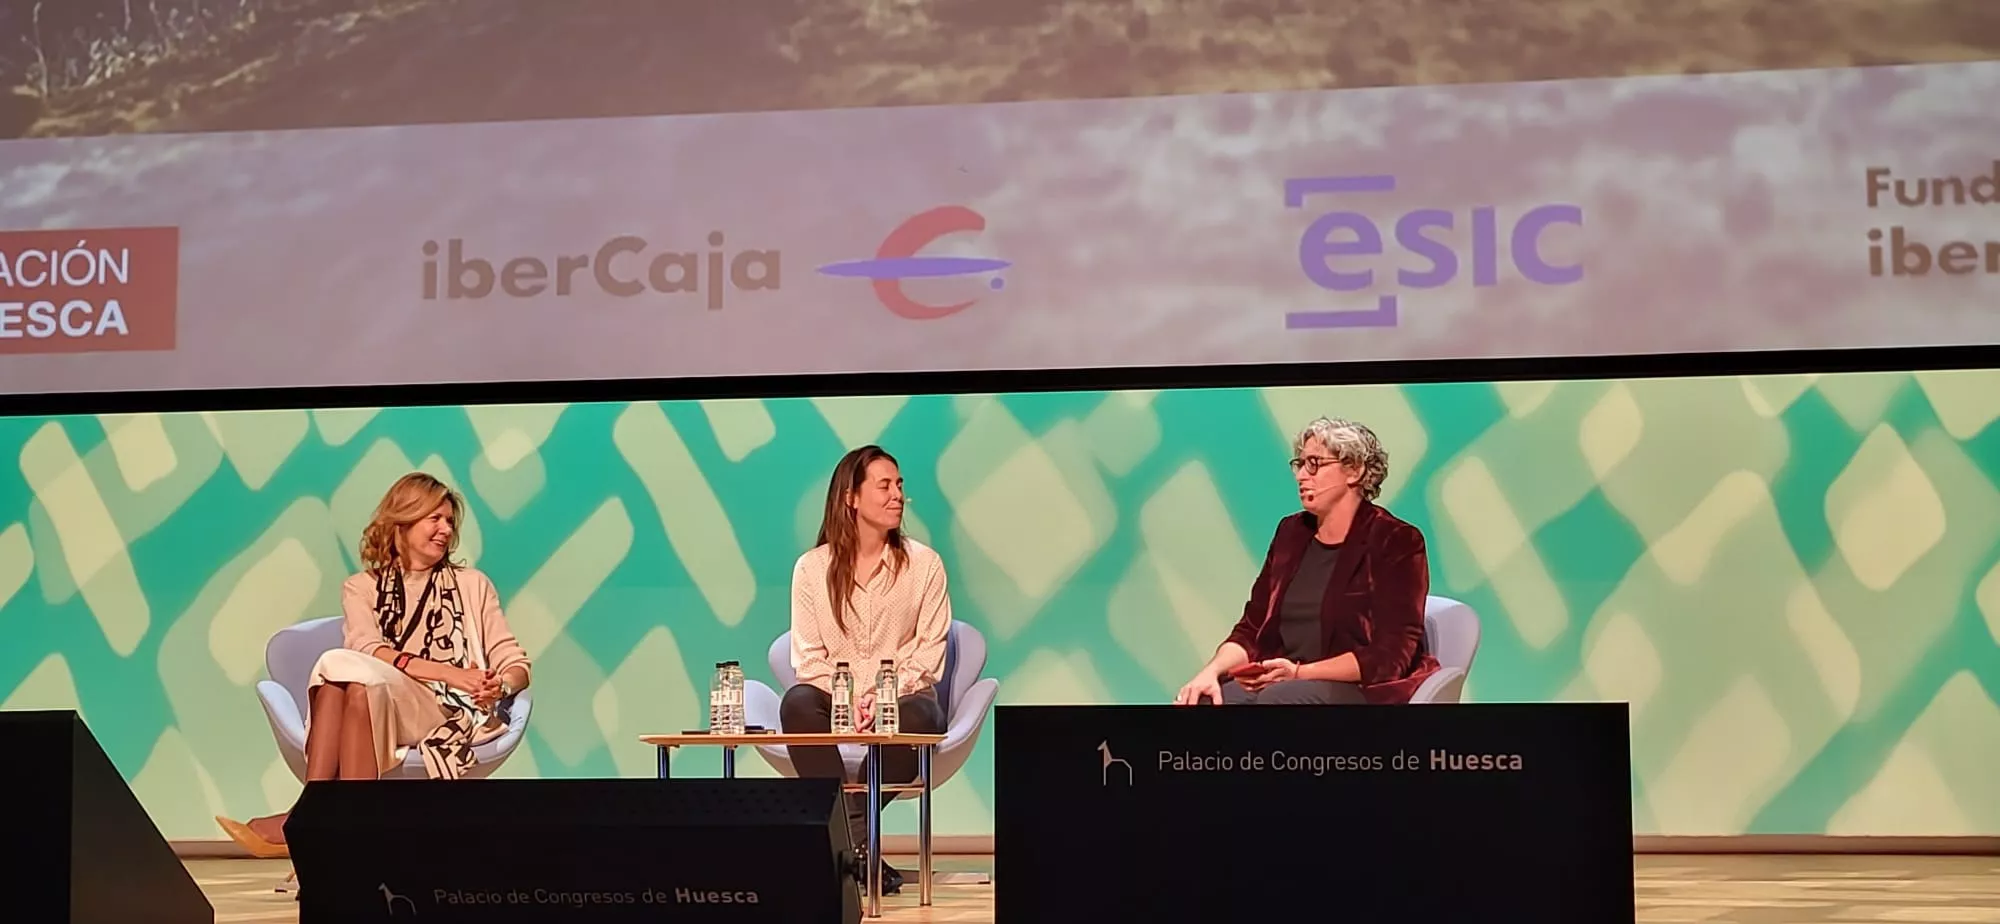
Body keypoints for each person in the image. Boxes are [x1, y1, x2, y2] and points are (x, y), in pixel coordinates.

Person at [216, 472, 533, 857]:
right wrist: (452, 672)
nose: (445, 530)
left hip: (444, 712)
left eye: (450, 521)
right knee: (351, 684)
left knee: (340, 667)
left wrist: (500, 685)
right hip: (376, 698)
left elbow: (514, 661)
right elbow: (368, 648)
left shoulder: (473, 585)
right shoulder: (361, 587)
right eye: (434, 518)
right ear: (403, 520)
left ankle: (307, 813)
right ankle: (353, 843)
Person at [780, 445, 952, 894]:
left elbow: (930, 654)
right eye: (885, 486)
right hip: (835, 700)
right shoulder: (811, 570)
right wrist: (851, 697)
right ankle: (862, 849)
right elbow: (808, 658)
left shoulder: (925, 566)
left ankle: (847, 842)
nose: (897, 496)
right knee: (796, 704)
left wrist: (883, 695)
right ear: (851, 498)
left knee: (921, 717)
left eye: (900, 486)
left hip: (904, 701)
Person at [1175, 417, 1439, 706]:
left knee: (1282, 699)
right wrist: (1210, 672)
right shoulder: (1290, 533)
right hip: (1282, 681)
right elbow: (1252, 627)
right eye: (1299, 465)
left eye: (1314, 464)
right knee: (1203, 701)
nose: (1301, 475)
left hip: (1360, 688)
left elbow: (1390, 656)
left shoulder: (1396, 539)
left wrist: (1300, 673)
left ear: (1354, 470)